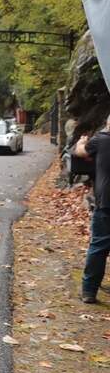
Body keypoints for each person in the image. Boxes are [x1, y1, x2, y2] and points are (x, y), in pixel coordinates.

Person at [74, 117, 110, 303]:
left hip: (107, 202)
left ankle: (89, 291)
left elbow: (80, 152)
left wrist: (81, 142)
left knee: (99, 247)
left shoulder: (102, 140)